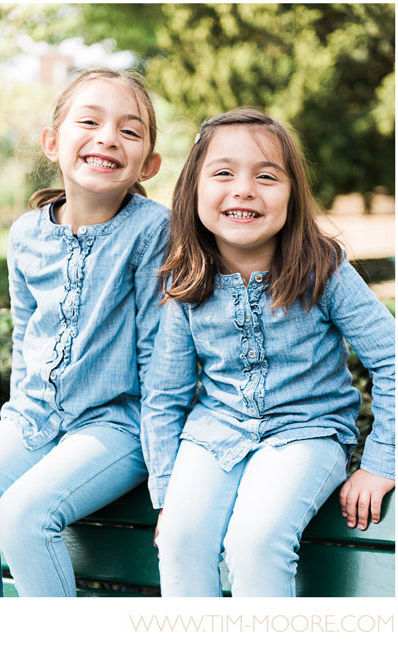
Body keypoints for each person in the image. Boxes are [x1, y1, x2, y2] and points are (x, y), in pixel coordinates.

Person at [142, 108, 395, 597]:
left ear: (293, 195)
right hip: (215, 432)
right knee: (179, 539)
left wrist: (381, 462)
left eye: (266, 176)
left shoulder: (323, 269)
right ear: (193, 190)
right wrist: (169, 490)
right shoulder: (185, 279)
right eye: (223, 173)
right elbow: (164, 394)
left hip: (308, 431)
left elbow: (391, 358)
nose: (243, 189)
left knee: (255, 542)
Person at [0, 68, 168, 597]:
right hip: (32, 419)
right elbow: (25, 340)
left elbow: (160, 359)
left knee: (23, 519)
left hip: (116, 426)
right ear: (53, 142)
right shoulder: (25, 234)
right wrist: (12, 417)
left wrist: (168, 481)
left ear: (148, 163)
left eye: (129, 130)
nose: (108, 138)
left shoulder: (153, 230)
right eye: (89, 122)